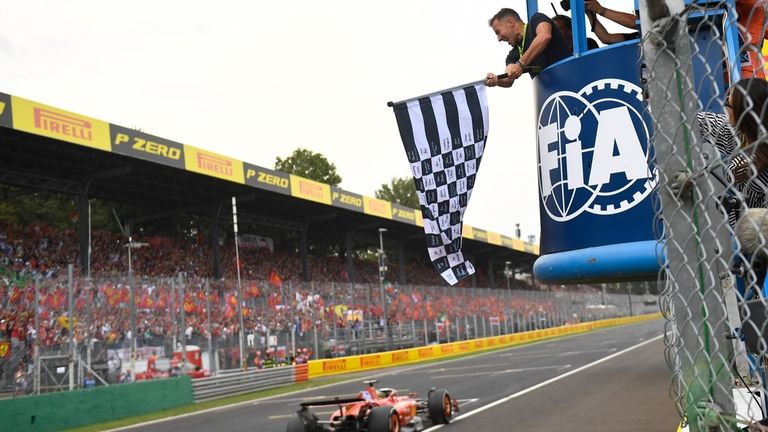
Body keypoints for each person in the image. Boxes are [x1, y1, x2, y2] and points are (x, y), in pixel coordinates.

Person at [697, 78, 768, 222]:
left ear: (744, 111)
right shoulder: (739, 133)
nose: (723, 107)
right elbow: (700, 121)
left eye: (727, 104)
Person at [485, 8, 570, 87]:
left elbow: (544, 36)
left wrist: (521, 64)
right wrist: (496, 80)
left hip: (571, 78)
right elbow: (508, 78)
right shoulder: (514, 54)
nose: (499, 39)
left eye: (498, 32)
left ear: (510, 23)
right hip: (552, 93)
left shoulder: (537, 19)